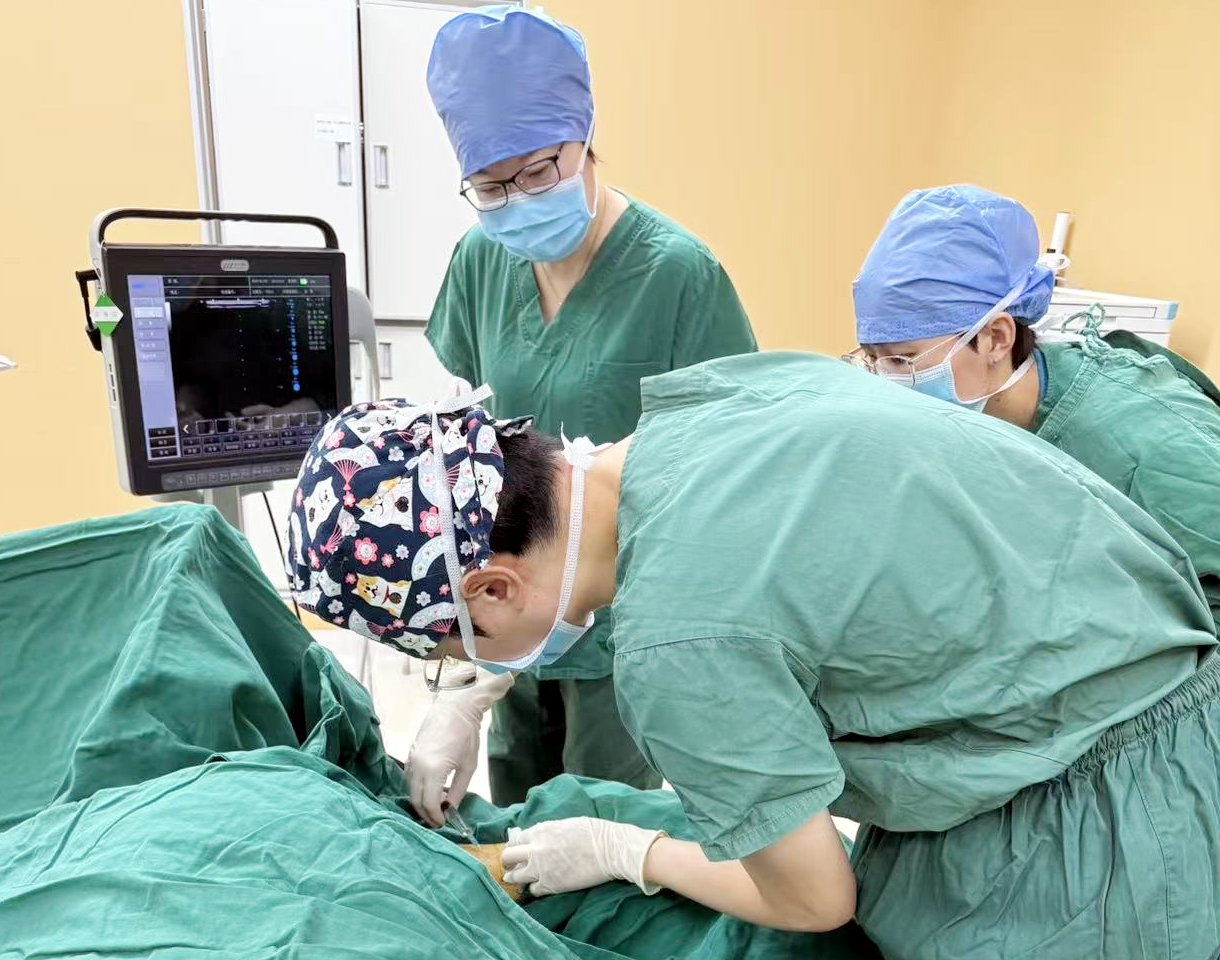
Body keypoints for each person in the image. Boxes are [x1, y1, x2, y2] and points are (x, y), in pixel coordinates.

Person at [288, 355, 1220, 958]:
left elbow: (816, 900)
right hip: (1149, 685)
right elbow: (763, 565)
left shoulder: (678, 648)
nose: (461, 661)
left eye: (451, 646)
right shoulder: (716, 403)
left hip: (1108, 830)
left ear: (492, 587)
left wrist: (628, 850)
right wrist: (477, 692)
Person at [415, 5, 757, 812]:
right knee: (512, 809)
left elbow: (730, 461)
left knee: (599, 813)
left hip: (621, 610)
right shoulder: (481, 257)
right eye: (491, 186)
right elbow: (470, 429)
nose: (517, 200)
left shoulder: (678, 275)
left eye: (539, 172)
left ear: (585, 138)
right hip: (507, 599)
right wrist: (465, 680)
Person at [850, 184, 1220, 631]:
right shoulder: (978, 415)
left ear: (996, 338)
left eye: (902, 360)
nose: (886, 379)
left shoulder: (1150, 441)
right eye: (872, 358)